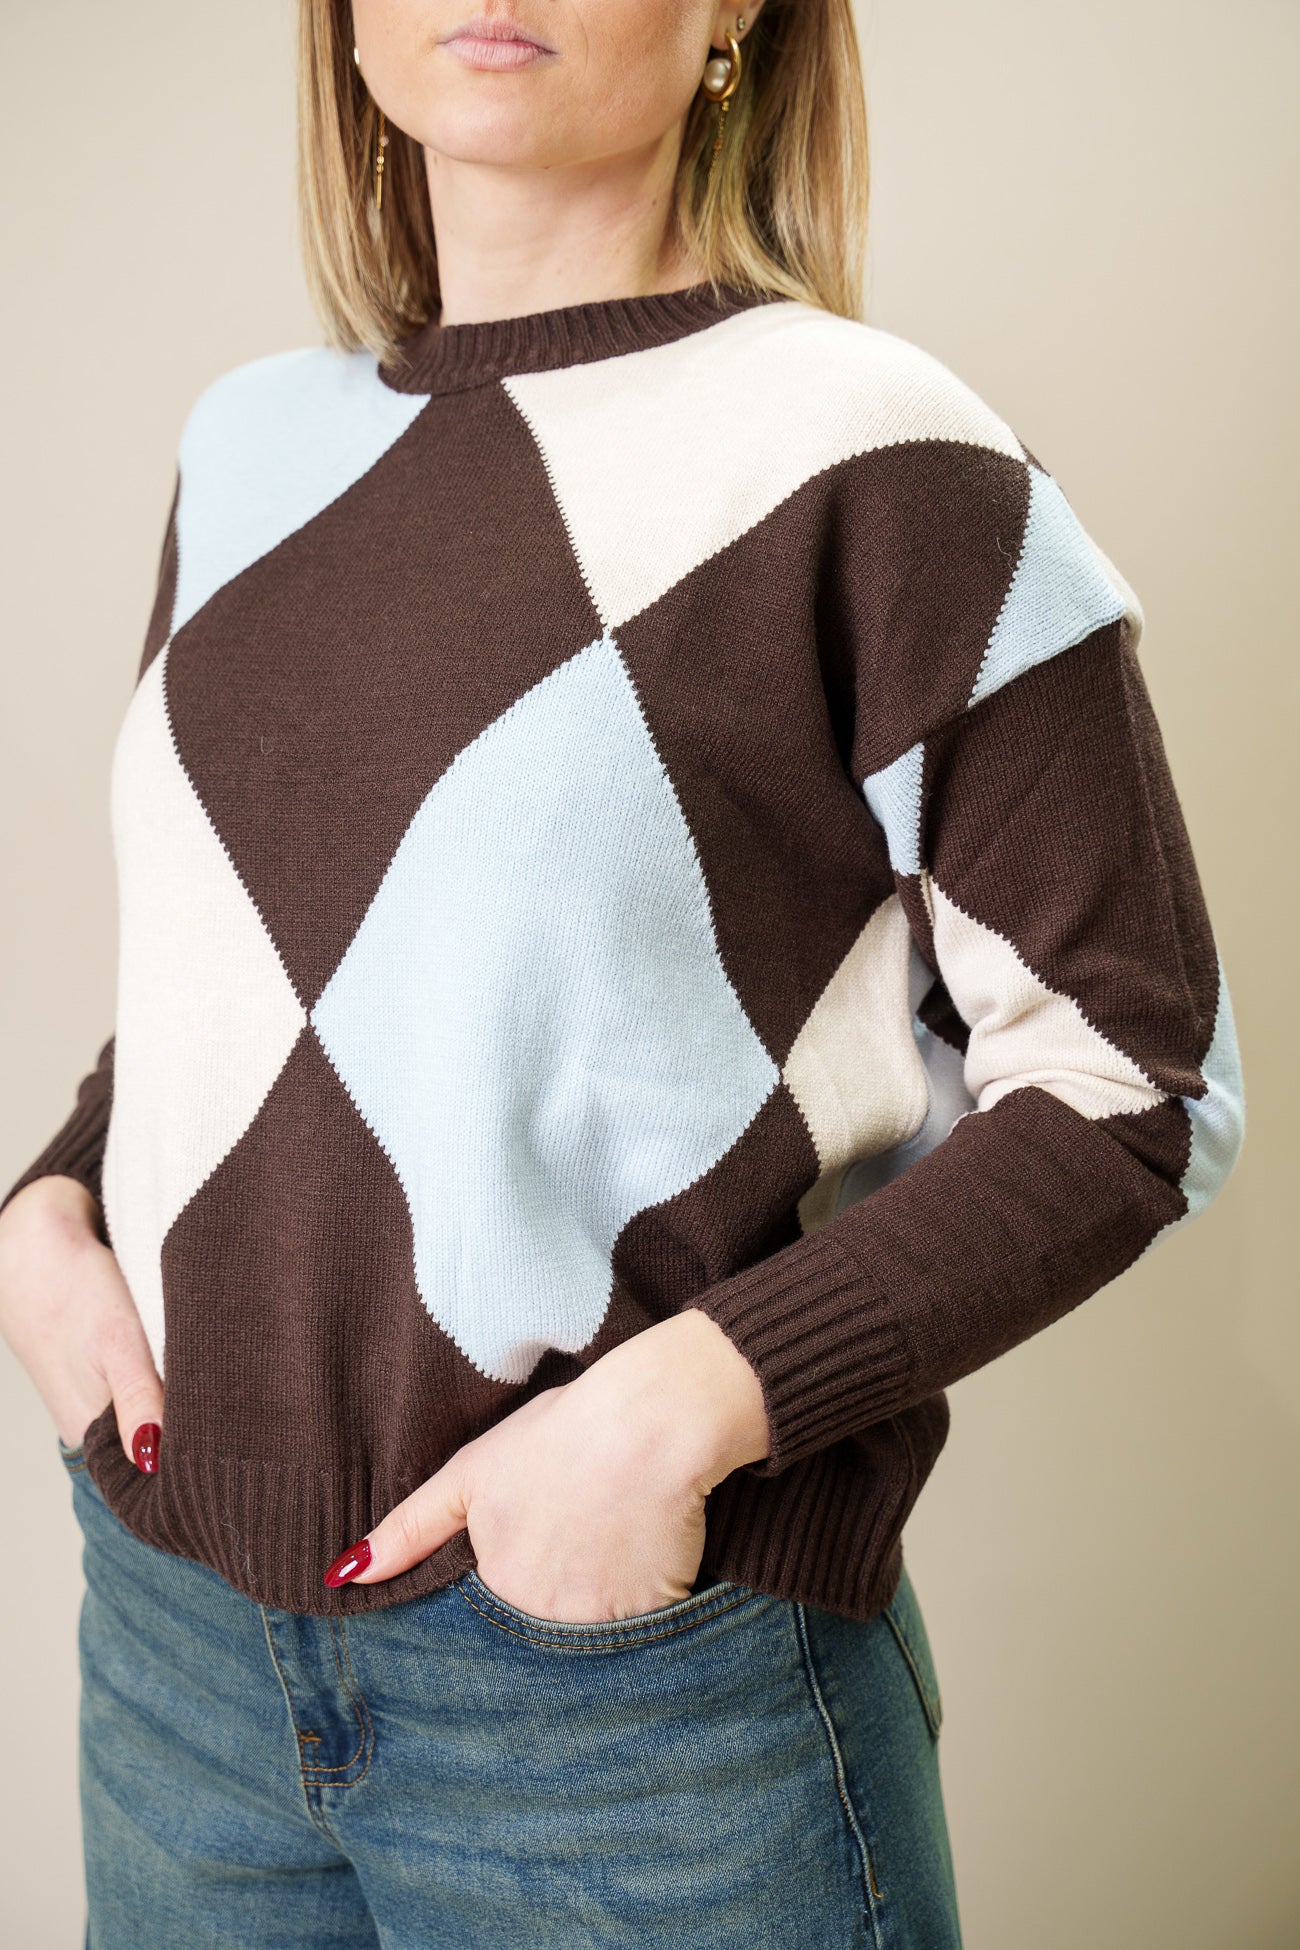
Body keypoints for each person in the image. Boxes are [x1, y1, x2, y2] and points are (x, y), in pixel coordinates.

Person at [0, 2, 1246, 1945]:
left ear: (736, 14)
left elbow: (1134, 1076)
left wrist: (670, 1422)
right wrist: (52, 1203)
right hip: (182, 1653)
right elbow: (275, 957)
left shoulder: (882, 456)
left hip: (622, 1696)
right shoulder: (243, 441)